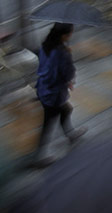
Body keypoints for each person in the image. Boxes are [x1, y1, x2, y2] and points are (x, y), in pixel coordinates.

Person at [34, 23, 86, 165]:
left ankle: (71, 134)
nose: (71, 35)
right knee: (48, 124)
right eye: (70, 33)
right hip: (54, 93)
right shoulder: (62, 52)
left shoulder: (46, 45)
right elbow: (67, 72)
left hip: (43, 87)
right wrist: (68, 56)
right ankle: (39, 157)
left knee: (66, 110)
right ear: (64, 35)